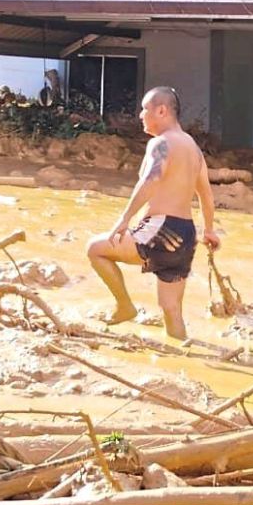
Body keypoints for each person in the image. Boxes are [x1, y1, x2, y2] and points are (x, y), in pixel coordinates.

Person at [85, 86, 220, 339]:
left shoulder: (161, 144)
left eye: (144, 109)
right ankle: (182, 355)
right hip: (186, 234)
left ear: (162, 110)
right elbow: (206, 195)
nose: (140, 115)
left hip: (161, 229)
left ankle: (124, 306)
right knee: (171, 309)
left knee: (95, 249)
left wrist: (124, 219)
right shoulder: (193, 148)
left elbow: (150, 181)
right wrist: (209, 230)